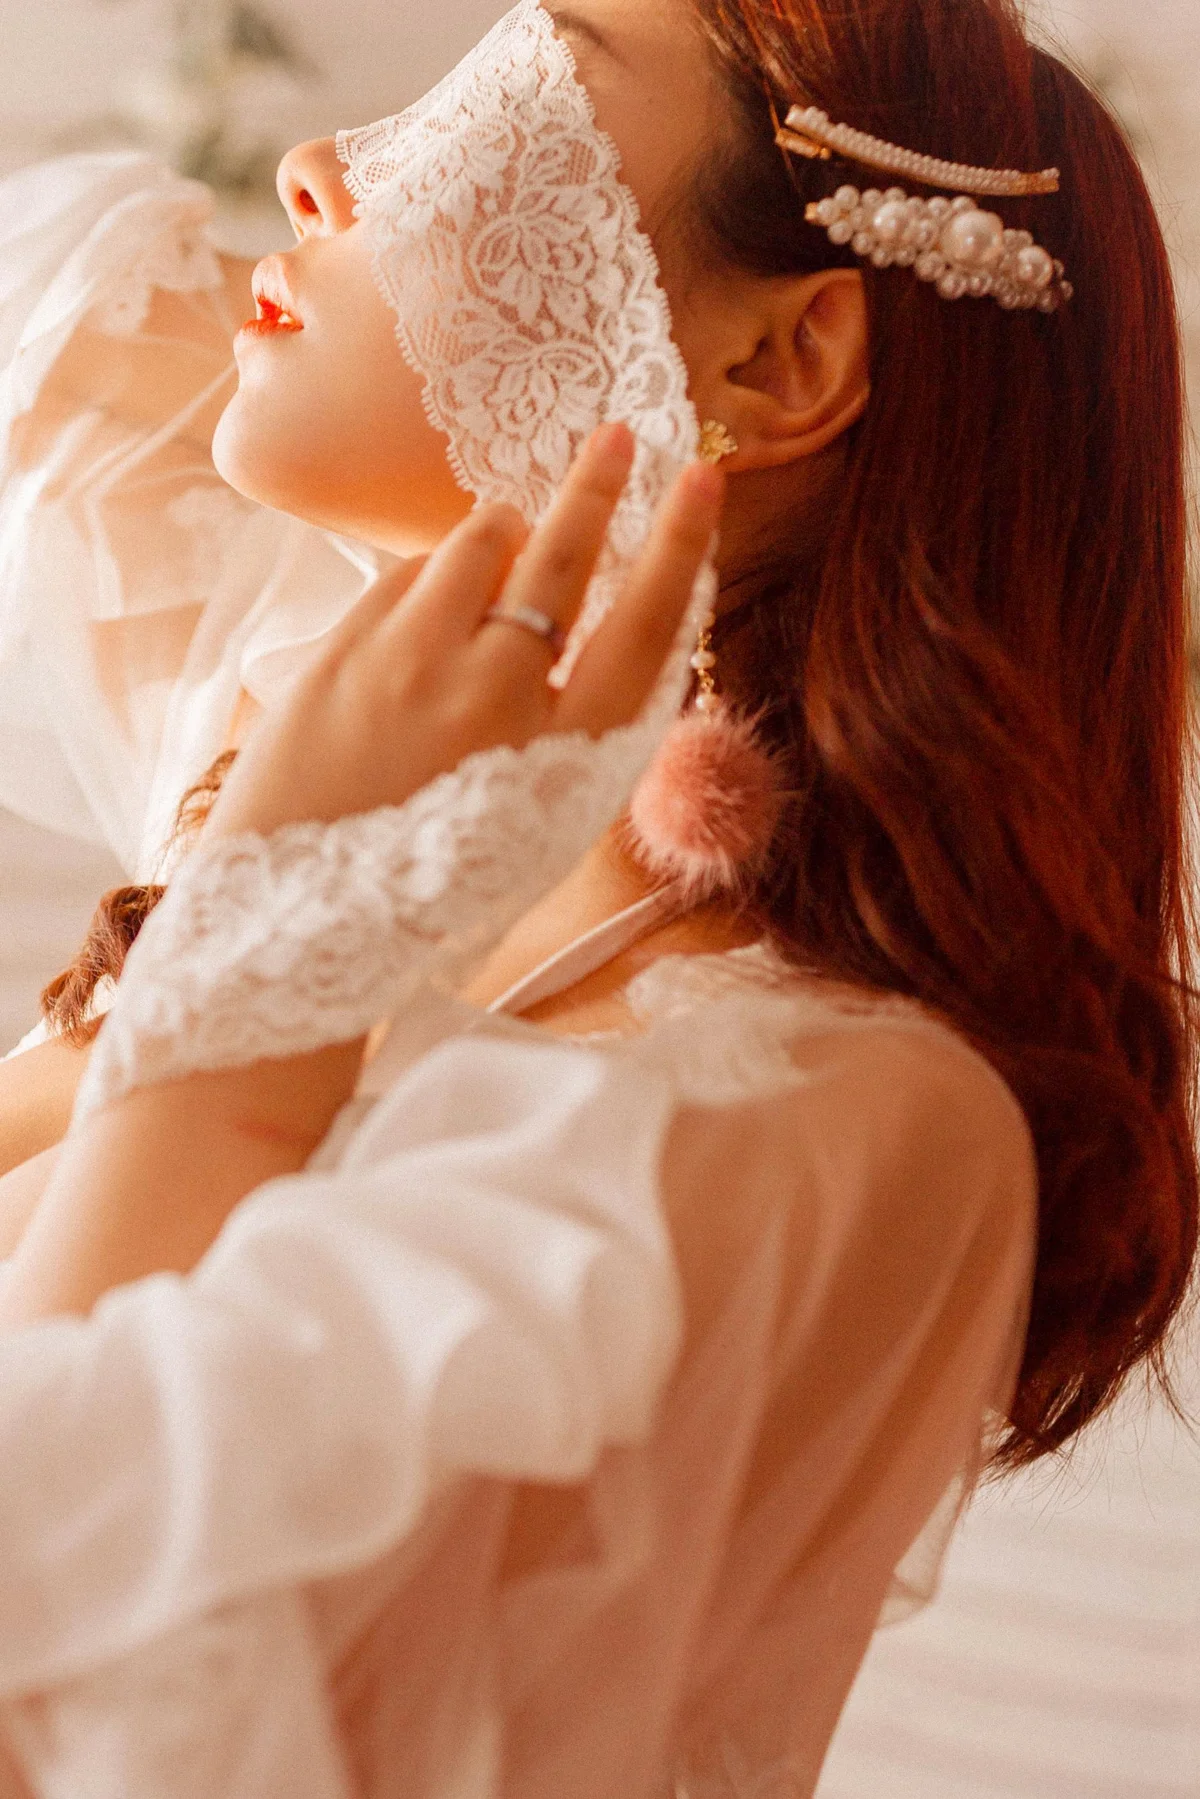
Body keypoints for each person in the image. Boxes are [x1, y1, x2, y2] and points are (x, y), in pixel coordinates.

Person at [0, 0, 1194, 1794]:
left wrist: (257, 967)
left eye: (506, 97)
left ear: (788, 359)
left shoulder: (829, 1118)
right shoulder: (323, 742)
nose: (314, 168)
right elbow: (50, 324)